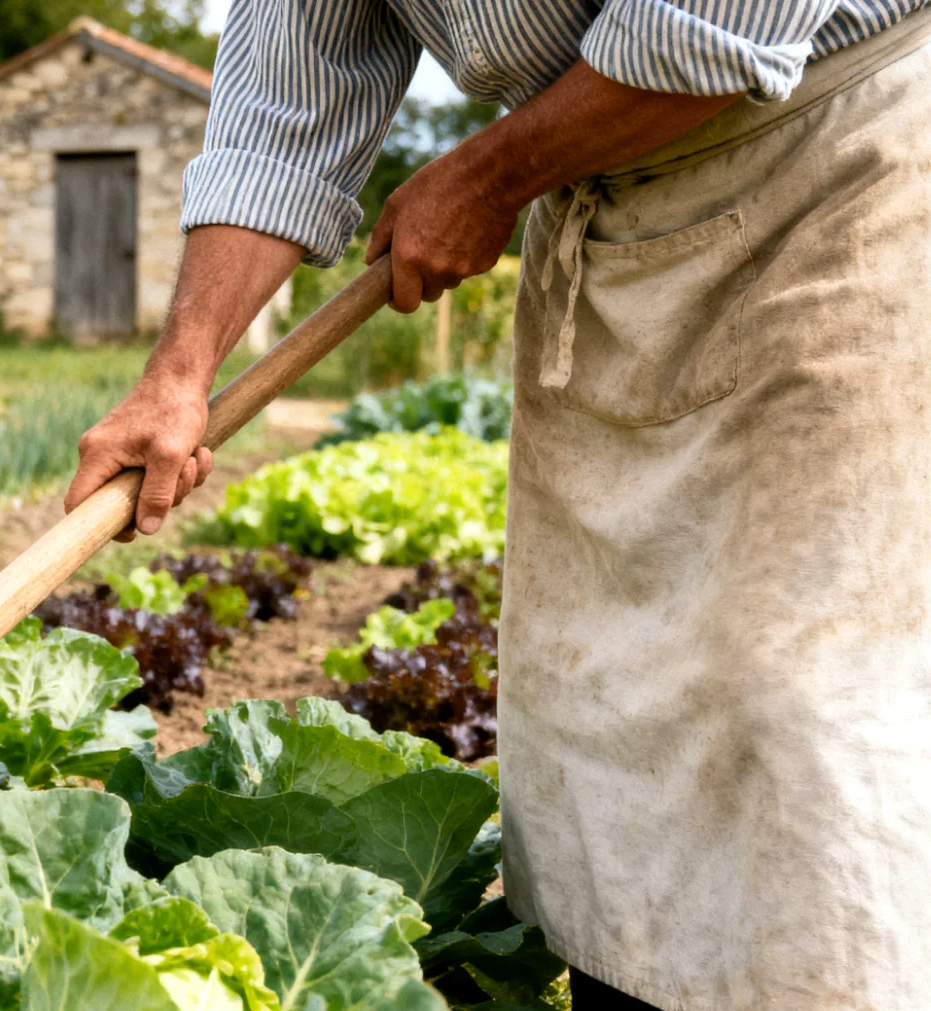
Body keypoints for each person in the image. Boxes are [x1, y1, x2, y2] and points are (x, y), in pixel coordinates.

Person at [64, 3, 931, 1009]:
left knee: (794, 701)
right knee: (601, 714)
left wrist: (488, 177)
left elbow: (711, 23)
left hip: (836, 181)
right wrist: (179, 372)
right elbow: (283, 97)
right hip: (611, 214)